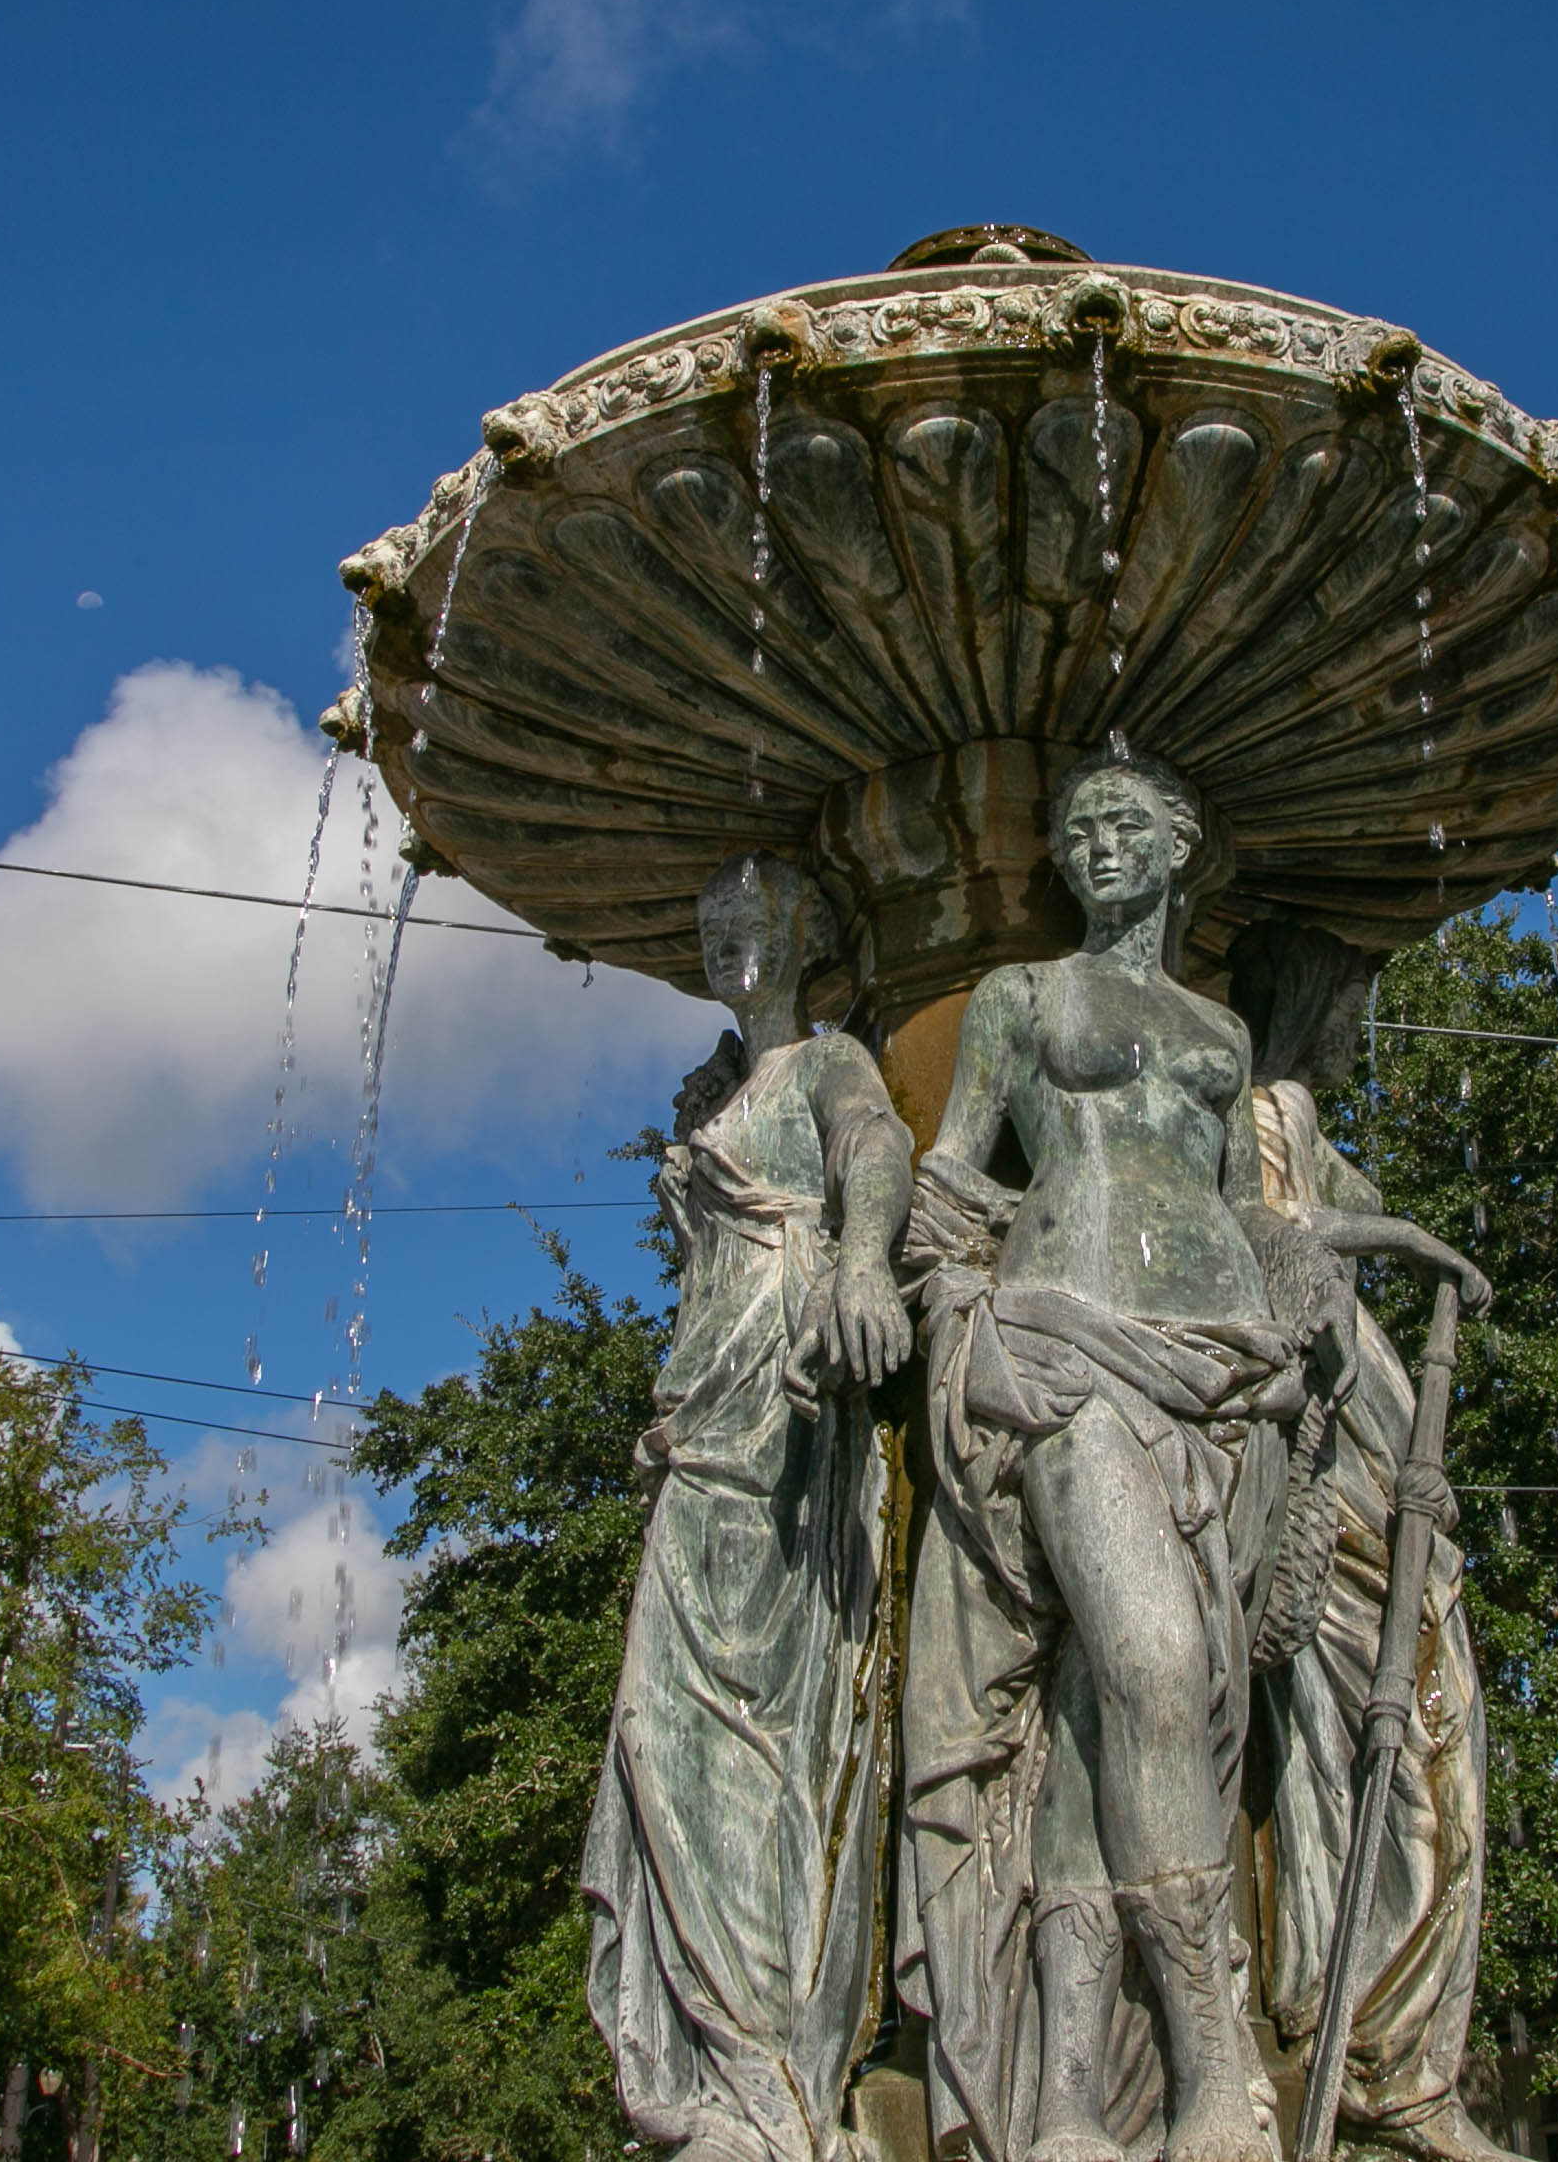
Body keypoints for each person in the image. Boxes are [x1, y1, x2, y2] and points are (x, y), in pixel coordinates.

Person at [895, 755, 1487, 2162]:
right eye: (1078, 829)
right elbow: (955, 1178)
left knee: (1131, 1716)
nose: (1098, 847)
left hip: (1233, 1378)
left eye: (1126, 827)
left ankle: (1065, 2105)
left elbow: (1253, 1216)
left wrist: (1379, 1258)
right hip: (1074, 1344)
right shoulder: (1021, 998)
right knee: (1159, 1669)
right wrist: (944, 1323)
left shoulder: (1218, 1031)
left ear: (1179, 848)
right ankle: (1216, 2063)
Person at [584, 854, 914, 2162]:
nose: (730, 945)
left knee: (778, 1734)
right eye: (714, 928)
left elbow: (879, 1150)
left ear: (804, 932)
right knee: (660, 1733)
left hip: (792, 1389)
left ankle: (774, 2059)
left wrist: (864, 1260)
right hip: (700, 1409)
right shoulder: (718, 1088)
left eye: (752, 922)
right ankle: (713, 2062)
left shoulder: (830, 1063)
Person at [1225, 918, 1524, 2162]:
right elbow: (1246, 1234)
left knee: (1445, 1755)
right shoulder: (1240, 1107)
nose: (1363, 1035)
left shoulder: (1303, 1124)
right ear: (1305, 997)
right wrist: (1401, 1241)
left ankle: (1408, 2064)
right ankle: (1367, 2057)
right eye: (1353, 1004)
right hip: (1317, 1489)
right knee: (1380, 1763)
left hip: (1386, 1486)